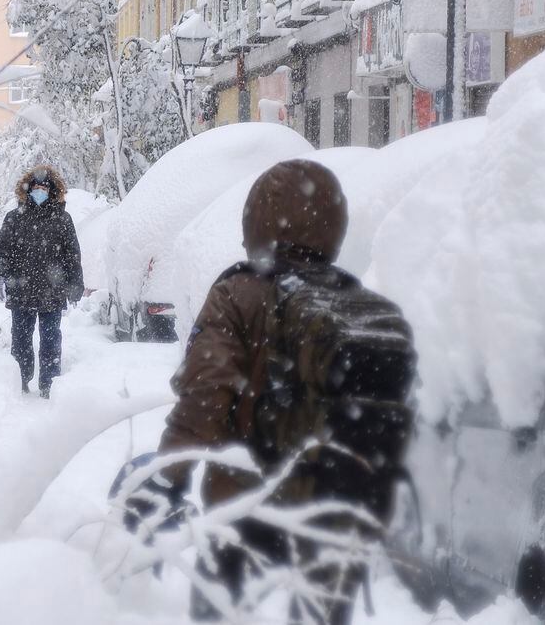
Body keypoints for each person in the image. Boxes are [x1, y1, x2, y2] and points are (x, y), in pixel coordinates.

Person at [144, 159, 414, 623]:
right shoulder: (358, 302)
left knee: (221, 611)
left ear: (255, 221)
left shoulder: (239, 293)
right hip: (343, 504)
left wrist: (167, 479)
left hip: (248, 500)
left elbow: (205, 396)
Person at [0, 166, 84, 399]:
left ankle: (49, 383)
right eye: (36, 188)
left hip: (51, 291)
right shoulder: (14, 218)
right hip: (20, 289)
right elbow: (3, 250)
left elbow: (72, 254)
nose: (40, 191)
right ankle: (20, 380)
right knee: (21, 339)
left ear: (52, 191)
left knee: (51, 340)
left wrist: (75, 284)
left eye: (44, 188)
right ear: (28, 190)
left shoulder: (62, 219)